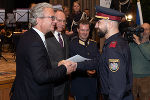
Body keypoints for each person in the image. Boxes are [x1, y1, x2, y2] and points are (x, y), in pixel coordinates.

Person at [10, 3, 76, 100]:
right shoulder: (35, 42)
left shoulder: (29, 36)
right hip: (32, 94)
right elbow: (41, 76)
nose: (54, 21)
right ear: (38, 19)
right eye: (51, 18)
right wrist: (64, 69)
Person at [95, 6, 133, 100]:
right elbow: (102, 62)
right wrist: (77, 64)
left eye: (99, 22)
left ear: (110, 24)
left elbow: (117, 88)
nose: (96, 25)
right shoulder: (118, 41)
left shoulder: (113, 48)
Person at [69, 20, 100, 100]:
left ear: (89, 31)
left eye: (87, 30)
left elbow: (98, 61)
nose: (85, 32)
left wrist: (95, 70)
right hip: (79, 85)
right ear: (78, 30)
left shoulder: (93, 44)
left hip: (92, 85)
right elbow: (71, 64)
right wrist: (86, 71)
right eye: (82, 30)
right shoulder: (72, 44)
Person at [45, 10, 70, 100]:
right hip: (53, 86)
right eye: (59, 21)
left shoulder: (65, 37)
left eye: (64, 21)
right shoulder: (45, 38)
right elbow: (44, 62)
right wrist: (59, 64)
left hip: (65, 86)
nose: (62, 23)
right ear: (53, 20)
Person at [129, 23, 150, 100]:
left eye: (147, 29)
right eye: (142, 29)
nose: (144, 31)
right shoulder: (132, 44)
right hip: (132, 77)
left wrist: (139, 43)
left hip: (146, 78)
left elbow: (148, 56)